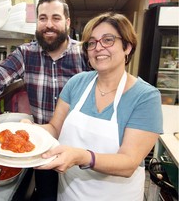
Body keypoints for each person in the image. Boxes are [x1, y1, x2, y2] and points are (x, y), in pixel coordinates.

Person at [0, 0, 89, 201]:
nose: (48, 24)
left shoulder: (84, 54)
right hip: (41, 145)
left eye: (56, 18)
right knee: (47, 196)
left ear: (67, 22)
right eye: (43, 18)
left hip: (79, 145)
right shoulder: (26, 53)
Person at [29, 12, 163, 201]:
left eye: (108, 40)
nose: (98, 48)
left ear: (127, 47)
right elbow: (54, 129)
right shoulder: (76, 83)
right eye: (91, 43)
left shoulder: (145, 97)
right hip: (68, 194)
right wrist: (28, 131)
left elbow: (128, 163)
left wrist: (82, 157)